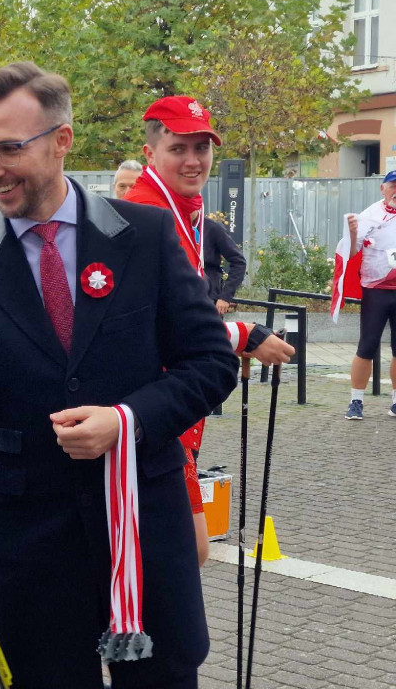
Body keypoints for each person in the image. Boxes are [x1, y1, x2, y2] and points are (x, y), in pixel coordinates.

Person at [0, 62, 238, 689]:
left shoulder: (144, 236)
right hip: (28, 533)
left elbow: (211, 362)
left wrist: (128, 421)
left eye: (10, 148)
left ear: (62, 140)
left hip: (144, 520)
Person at [124, 95, 294, 566]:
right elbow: (159, 326)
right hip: (154, 411)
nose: (194, 160)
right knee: (183, 555)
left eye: (203, 147)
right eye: (179, 148)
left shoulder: (184, 210)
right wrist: (242, 335)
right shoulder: (147, 215)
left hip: (177, 412)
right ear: (151, 153)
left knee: (177, 557)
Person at [333, 170, 396, 420]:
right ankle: (356, 401)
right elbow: (349, 254)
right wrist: (351, 233)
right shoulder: (370, 216)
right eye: (392, 185)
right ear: (383, 189)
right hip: (376, 290)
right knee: (367, 346)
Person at [203, 215, 247, 315]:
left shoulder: (212, 228)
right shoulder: (173, 226)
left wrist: (225, 296)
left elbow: (239, 261)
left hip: (208, 300)